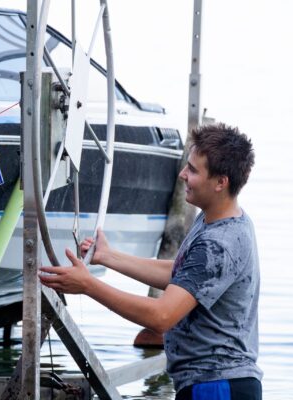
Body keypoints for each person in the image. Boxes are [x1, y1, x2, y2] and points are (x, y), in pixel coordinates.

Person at [40, 123, 263, 399]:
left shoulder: (220, 242)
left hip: (217, 386)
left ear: (221, 182)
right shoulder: (217, 219)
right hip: (212, 383)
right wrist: (109, 257)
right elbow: (185, 274)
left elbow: (162, 316)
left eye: (193, 170)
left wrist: (88, 286)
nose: (182, 174)